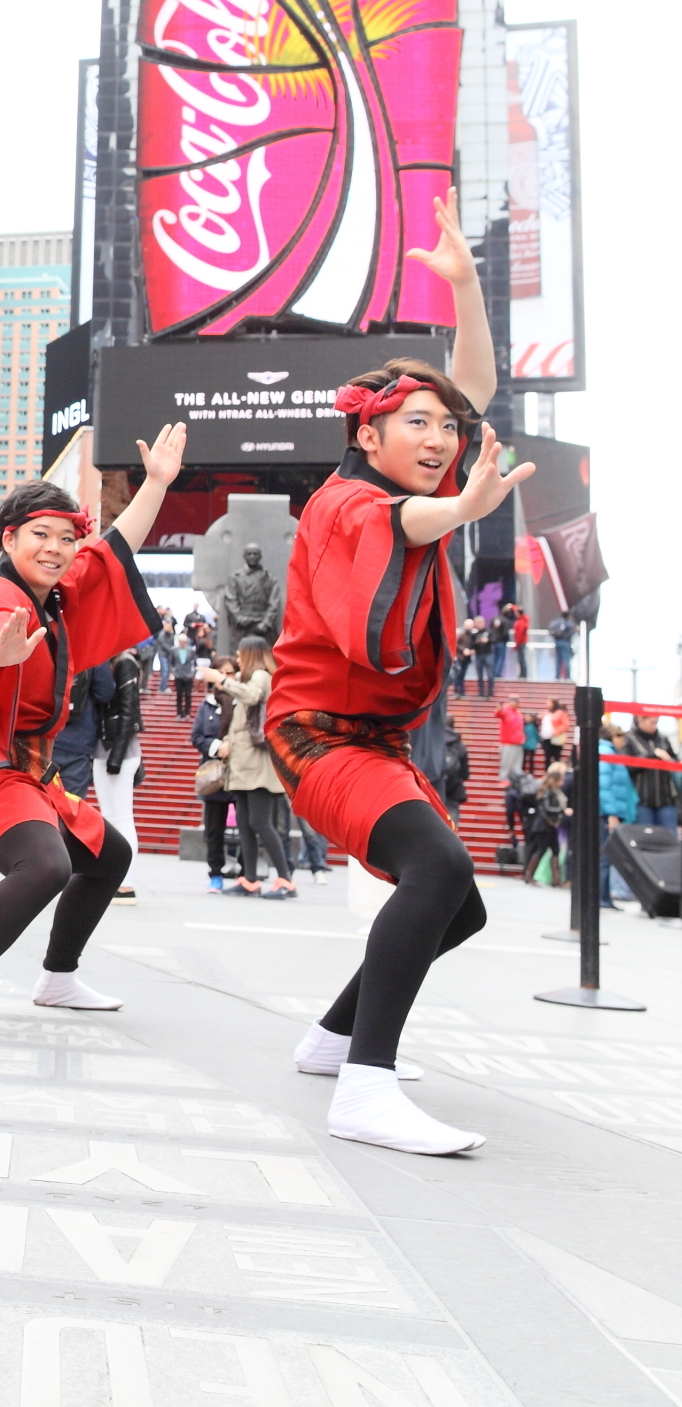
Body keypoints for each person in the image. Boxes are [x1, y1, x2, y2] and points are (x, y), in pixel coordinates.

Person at [264, 189, 528, 1155]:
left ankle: (334, 1039)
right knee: (439, 866)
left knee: (461, 904)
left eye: (446, 430)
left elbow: (476, 392)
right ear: (366, 436)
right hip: (317, 732)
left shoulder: (404, 483)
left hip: (376, 737)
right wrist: (463, 509)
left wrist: (465, 291)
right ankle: (365, 1088)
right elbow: (407, 525)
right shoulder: (345, 503)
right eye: (416, 423)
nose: (440, 437)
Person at [0, 423, 185, 1043]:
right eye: (41, 536)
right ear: (9, 538)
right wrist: (0, 663)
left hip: (31, 769)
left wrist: (158, 485)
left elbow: (115, 550)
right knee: (43, 867)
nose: (57, 548)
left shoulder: (54, 592)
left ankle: (58, 976)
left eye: (66, 538)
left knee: (110, 856)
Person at [210, 639, 295, 898]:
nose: (236, 657)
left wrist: (223, 681)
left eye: (239, 652)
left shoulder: (260, 676)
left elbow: (251, 696)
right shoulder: (254, 677)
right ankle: (250, 880)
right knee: (246, 822)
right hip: (244, 762)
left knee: (259, 821)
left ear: (251, 654)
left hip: (256, 763)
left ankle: (285, 879)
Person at [95, 647, 144, 901]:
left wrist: (116, 756)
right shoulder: (107, 661)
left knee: (122, 817)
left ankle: (126, 882)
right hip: (103, 748)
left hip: (120, 750)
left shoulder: (125, 662)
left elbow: (129, 711)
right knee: (110, 817)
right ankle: (114, 878)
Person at [192, 658, 235, 892]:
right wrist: (216, 746)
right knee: (214, 828)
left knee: (248, 825)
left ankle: (245, 872)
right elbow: (196, 736)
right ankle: (215, 873)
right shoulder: (207, 705)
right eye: (220, 672)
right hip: (214, 774)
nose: (225, 677)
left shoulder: (243, 701)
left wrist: (232, 746)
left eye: (230, 672)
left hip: (240, 772)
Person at [51, 659, 113, 800]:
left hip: (44, 738)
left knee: (41, 802)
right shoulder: (93, 652)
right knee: (72, 805)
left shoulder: (46, 643)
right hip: (78, 739)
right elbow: (105, 692)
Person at [598, 730, 638, 910]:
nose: (624, 741)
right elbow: (604, 786)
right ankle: (602, 897)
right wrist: (611, 813)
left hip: (612, 812)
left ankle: (604, 897)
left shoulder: (611, 753)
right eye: (621, 737)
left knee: (607, 856)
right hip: (608, 814)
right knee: (606, 857)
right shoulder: (607, 753)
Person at [626, 719, 680, 827]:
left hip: (666, 799)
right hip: (641, 800)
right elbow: (628, 766)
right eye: (652, 722)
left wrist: (668, 759)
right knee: (645, 839)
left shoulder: (663, 739)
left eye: (656, 722)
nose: (654, 726)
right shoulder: (629, 739)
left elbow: (676, 764)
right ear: (641, 720)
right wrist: (652, 756)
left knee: (669, 839)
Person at [523, 766, 569, 884]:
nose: (562, 782)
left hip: (549, 826)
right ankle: (529, 875)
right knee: (541, 850)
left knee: (554, 850)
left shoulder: (551, 792)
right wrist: (562, 810)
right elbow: (547, 809)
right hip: (543, 826)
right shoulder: (547, 793)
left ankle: (555, 878)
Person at [495, 698, 524, 794]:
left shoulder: (518, 713)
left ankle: (516, 778)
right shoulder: (506, 711)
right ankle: (504, 778)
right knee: (507, 762)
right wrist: (498, 710)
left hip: (518, 742)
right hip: (508, 742)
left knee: (517, 762)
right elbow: (498, 714)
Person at [170, 625, 198, 718]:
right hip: (178, 675)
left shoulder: (190, 651)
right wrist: (174, 672)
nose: (183, 643)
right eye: (182, 642)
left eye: (185, 642)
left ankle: (187, 712)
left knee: (188, 695)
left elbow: (195, 662)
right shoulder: (174, 650)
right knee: (179, 695)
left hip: (188, 676)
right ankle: (179, 712)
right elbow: (171, 662)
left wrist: (193, 673)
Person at [548, 612, 575, 681]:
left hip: (557, 642)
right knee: (566, 660)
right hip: (565, 642)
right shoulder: (568, 624)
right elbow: (572, 631)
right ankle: (568, 676)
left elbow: (550, 630)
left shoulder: (555, 622)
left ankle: (557, 676)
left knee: (558, 660)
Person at [511, 606, 530, 679]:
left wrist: (516, 645)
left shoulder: (520, 623)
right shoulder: (523, 620)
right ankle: (523, 673)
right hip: (521, 642)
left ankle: (523, 674)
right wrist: (512, 606)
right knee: (521, 658)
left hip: (521, 643)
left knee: (521, 659)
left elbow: (519, 635)